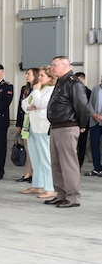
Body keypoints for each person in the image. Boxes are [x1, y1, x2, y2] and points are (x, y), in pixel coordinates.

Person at [45, 56, 89, 208]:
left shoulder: (73, 83)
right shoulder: (61, 81)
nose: (52, 68)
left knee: (68, 164)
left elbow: (82, 106)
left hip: (67, 127)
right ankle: (61, 194)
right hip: (56, 127)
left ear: (65, 65)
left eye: (54, 65)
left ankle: (73, 197)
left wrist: (82, 125)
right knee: (57, 164)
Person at [21, 66, 55, 198]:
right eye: (39, 75)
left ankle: (50, 187)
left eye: (42, 76)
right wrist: (30, 106)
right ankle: (37, 185)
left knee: (45, 159)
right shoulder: (39, 89)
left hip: (42, 127)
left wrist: (35, 92)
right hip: (31, 126)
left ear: (50, 78)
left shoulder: (50, 90)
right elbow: (24, 104)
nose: (39, 78)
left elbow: (41, 103)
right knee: (35, 159)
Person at [14, 67, 38, 183]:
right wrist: (18, 123)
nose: (26, 76)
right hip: (25, 123)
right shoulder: (25, 89)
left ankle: (35, 174)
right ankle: (27, 173)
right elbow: (20, 107)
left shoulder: (39, 89)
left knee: (35, 151)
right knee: (28, 149)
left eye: (28, 74)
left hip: (36, 123)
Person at [86, 74, 102, 177]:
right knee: (94, 145)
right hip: (95, 121)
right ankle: (97, 168)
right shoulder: (96, 89)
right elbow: (90, 104)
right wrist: (94, 114)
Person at [75, 72, 91, 169]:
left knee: (82, 143)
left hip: (84, 122)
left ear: (83, 80)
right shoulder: (72, 91)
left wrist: (84, 124)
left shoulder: (89, 92)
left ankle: (79, 164)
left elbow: (88, 108)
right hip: (73, 121)